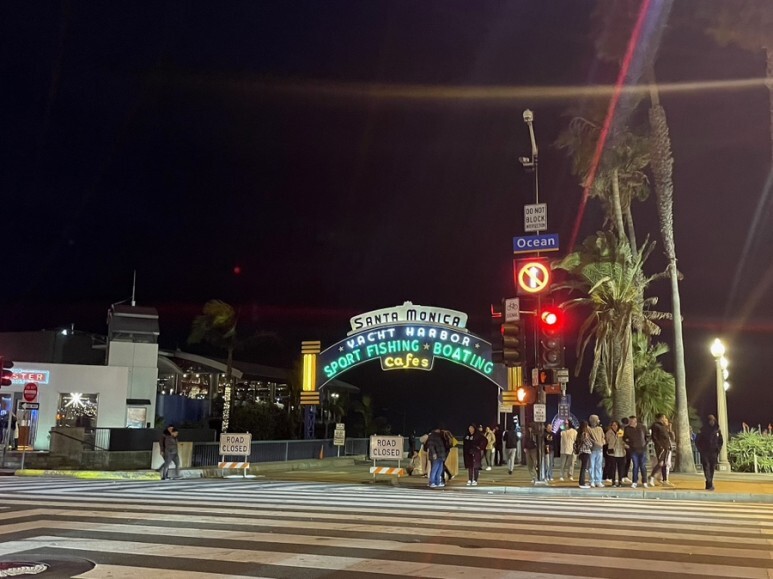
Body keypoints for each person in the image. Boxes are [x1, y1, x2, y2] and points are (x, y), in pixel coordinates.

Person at [695, 414, 723, 491]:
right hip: (705, 452)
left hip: (714, 452)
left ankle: (709, 482)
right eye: (710, 420)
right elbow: (697, 441)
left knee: (712, 468)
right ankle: (709, 483)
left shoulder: (717, 430)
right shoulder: (702, 430)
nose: (711, 422)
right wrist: (700, 450)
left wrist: (718, 449)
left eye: (713, 420)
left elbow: (720, 441)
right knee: (706, 467)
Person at [623, 416, 649, 488]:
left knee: (643, 466)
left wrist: (645, 443)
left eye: (632, 421)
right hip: (633, 450)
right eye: (630, 421)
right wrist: (628, 443)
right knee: (635, 466)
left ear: (635, 421)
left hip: (642, 449)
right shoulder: (627, 428)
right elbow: (624, 438)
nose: (631, 422)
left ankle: (644, 481)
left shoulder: (642, 427)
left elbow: (647, 436)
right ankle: (634, 481)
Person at [649, 413, 671, 487]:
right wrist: (660, 445)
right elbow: (654, 437)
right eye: (664, 417)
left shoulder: (663, 426)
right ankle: (651, 477)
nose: (665, 419)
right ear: (660, 418)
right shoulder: (656, 426)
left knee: (664, 463)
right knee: (660, 463)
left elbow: (667, 437)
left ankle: (665, 480)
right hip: (661, 447)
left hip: (666, 446)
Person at [605, 421, 626, 487]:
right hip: (612, 452)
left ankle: (620, 481)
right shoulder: (609, 432)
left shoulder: (621, 432)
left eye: (616, 425)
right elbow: (607, 441)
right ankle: (613, 482)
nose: (614, 426)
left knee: (620, 468)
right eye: (613, 425)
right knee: (612, 468)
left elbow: (623, 440)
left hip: (620, 451)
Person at [587, 414, 605, 487]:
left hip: (600, 450)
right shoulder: (588, 429)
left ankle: (598, 481)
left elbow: (603, 437)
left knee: (599, 466)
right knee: (591, 466)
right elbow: (588, 438)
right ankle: (592, 481)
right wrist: (596, 443)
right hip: (592, 450)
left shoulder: (600, 429)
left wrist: (602, 443)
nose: (598, 421)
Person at [576, 421, 593, 489]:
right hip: (585, 451)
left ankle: (581, 482)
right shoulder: (585, 434)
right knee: (584, 468)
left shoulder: (579, 433)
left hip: (581, 452)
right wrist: (591, 444)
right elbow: (588, 443)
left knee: (583, 468)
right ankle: (582, 482)